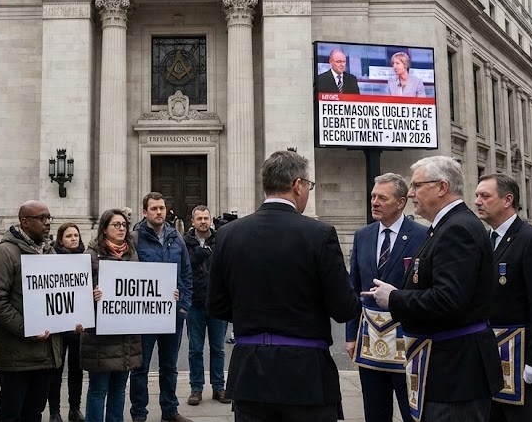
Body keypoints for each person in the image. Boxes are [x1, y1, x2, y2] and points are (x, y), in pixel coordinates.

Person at [209, 150, 359, 422]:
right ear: (297, 185)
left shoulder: (228, 234)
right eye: (309, 186)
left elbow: (217, 304)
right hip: (306, 374)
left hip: (249, 372)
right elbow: (344, 308)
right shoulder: (319, 234)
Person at [365, 156, 502, 422]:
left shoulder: (457, 229)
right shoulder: (445, 227)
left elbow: (448, 300)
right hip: (446, 367)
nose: (412, 194)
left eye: (416, 186)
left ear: (441, 187)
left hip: (455, 372)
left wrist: (393, 297)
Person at [473, 174, 532, 421]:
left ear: (507, 200)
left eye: (485, 196)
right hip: (494, 359)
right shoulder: (486, 239)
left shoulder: (531, 239)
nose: (477, 201)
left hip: (524, 361)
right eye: (477, 195)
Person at [345, 173, 427, 422]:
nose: (375, 202)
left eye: (382, 197)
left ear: (401, 202)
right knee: (375, 411)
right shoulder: (363, 235)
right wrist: (350, 336)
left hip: (407, 339)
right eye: (373, 196)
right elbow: (354, 289)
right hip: (370, 341)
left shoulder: (422, 235)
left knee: (411, 410)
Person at [0, 200, 65, 422]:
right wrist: (26, 329)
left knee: (34, 412)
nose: (47, 222)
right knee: (11, 413)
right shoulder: (5, 253)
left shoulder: (50, 252)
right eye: (41, 218)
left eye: (49, 217)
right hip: (17, 355)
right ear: (24, 222)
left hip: (45, 354)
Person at [129, 192, 194, 422]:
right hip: (144, 315)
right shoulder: (135, 238)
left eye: (162, 208)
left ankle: (170, 410)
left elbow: (186, 272)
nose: (159, 212)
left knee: (169, 366)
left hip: (172, 314)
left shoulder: (176, 237)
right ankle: (139, 413)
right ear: (145, 211)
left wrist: (184, 305)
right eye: (154, 208)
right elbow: (127, 275)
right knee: (140, 367)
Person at [82, 209, 142, 422]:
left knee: (119, 390)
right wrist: (91, 294)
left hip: (126, 335)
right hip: (100, 336)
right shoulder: (90, 256)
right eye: (116, 225)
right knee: (98, 390)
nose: (121, 229)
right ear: (104, 228)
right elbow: (78, 294)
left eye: (124, 225)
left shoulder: (132, 253)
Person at [183, 205, 230, 407]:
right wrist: (202, 254)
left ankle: (219, 387)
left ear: (211, 220)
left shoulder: (221, 240)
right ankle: (196, 388)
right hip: (195, 302)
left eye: (206, 218)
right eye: (199, 218)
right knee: (195, 348)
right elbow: (184, 266)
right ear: (192, 221)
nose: (203, 221)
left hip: (217, 303)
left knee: (218, 348)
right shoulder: (184, 242)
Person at [48, 222, 86, 422]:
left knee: (76, 369)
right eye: (69, 236)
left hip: (77, 327)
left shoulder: (85, 260)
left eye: (76, 235)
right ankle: (54, 411)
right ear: (60, 239)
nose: (74, 239)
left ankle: (74, 408)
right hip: (57, 326)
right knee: (55, 370)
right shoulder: (51, 260)